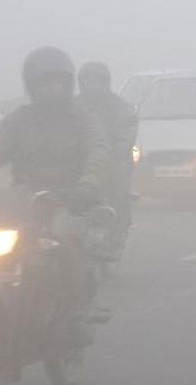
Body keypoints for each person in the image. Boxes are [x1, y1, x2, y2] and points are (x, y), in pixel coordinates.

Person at [0, 46, 110, 346]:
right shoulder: (17, 121)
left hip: (70, 199)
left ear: (68, 83)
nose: (52, 89)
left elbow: (98, 154)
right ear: (32, 86)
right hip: (25, 199)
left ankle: (74, 316)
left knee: (66, 240)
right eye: (45, 83)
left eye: (58, 82)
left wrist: (88, 185)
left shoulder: (83, 119)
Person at [76, 62, 138, 251]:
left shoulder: (121, 107)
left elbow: (127, 132)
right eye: (88, 81)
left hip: (113, 163)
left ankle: (117, 233)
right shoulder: (72, 106)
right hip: (79, 163)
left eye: (96, 81)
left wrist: (118, 146)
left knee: (117, 193)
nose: (92, 86)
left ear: (106, 82)